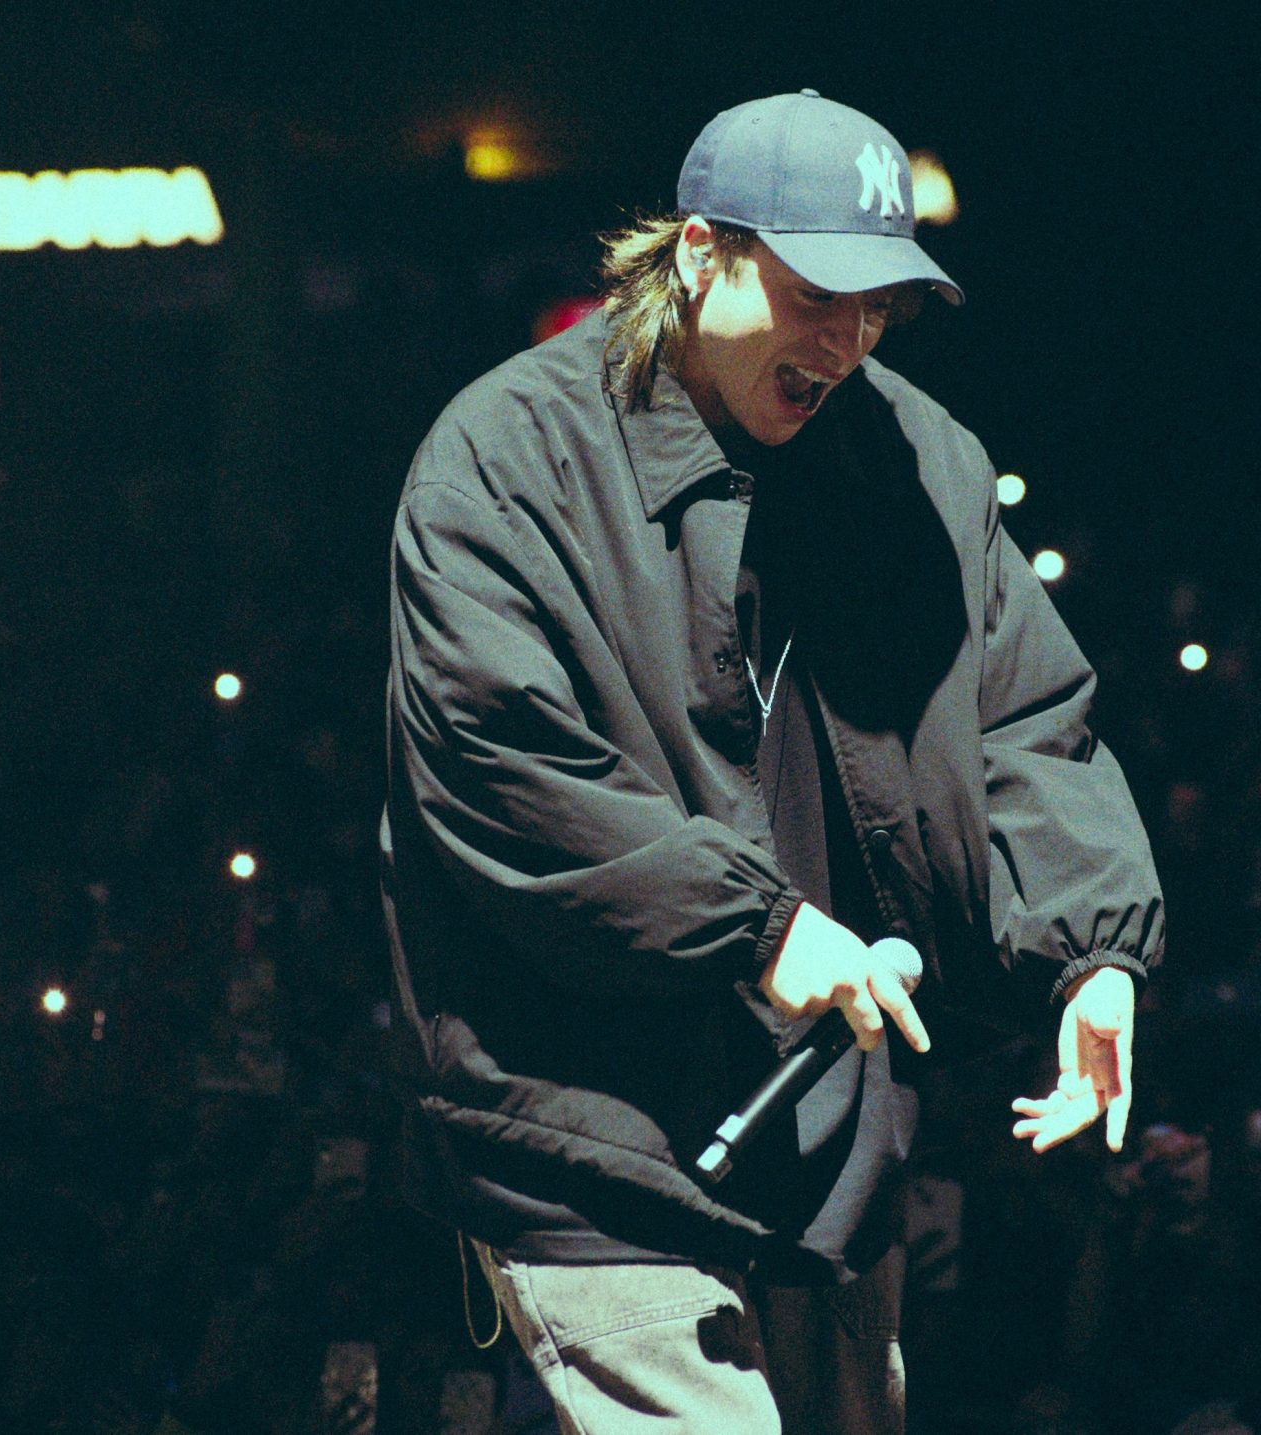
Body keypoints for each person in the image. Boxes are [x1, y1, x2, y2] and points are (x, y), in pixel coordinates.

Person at [379, 89, 1165, 1433]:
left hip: (826, 1152)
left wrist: (1089, 948)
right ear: (699, 254)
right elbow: (497, 760)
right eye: (816, 297)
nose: (847, 341)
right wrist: (757, 927)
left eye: (878, 308)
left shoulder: (919, 461)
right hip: (587, 1141)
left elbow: (1026, 716)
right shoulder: (503, 461)